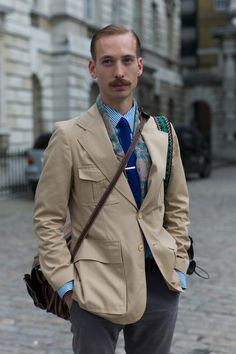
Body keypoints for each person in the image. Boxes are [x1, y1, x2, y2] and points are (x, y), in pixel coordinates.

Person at [33, 24, 190, 354]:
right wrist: (65, 285)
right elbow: (47, 218)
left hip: (159, 283)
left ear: (140, 66)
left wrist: (178, 266)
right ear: (92, 68)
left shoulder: (162, 131)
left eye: (127, 60)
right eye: (107, 62)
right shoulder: (69, 136)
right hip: (94, 287)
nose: (119, 71)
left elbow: (177, 206)